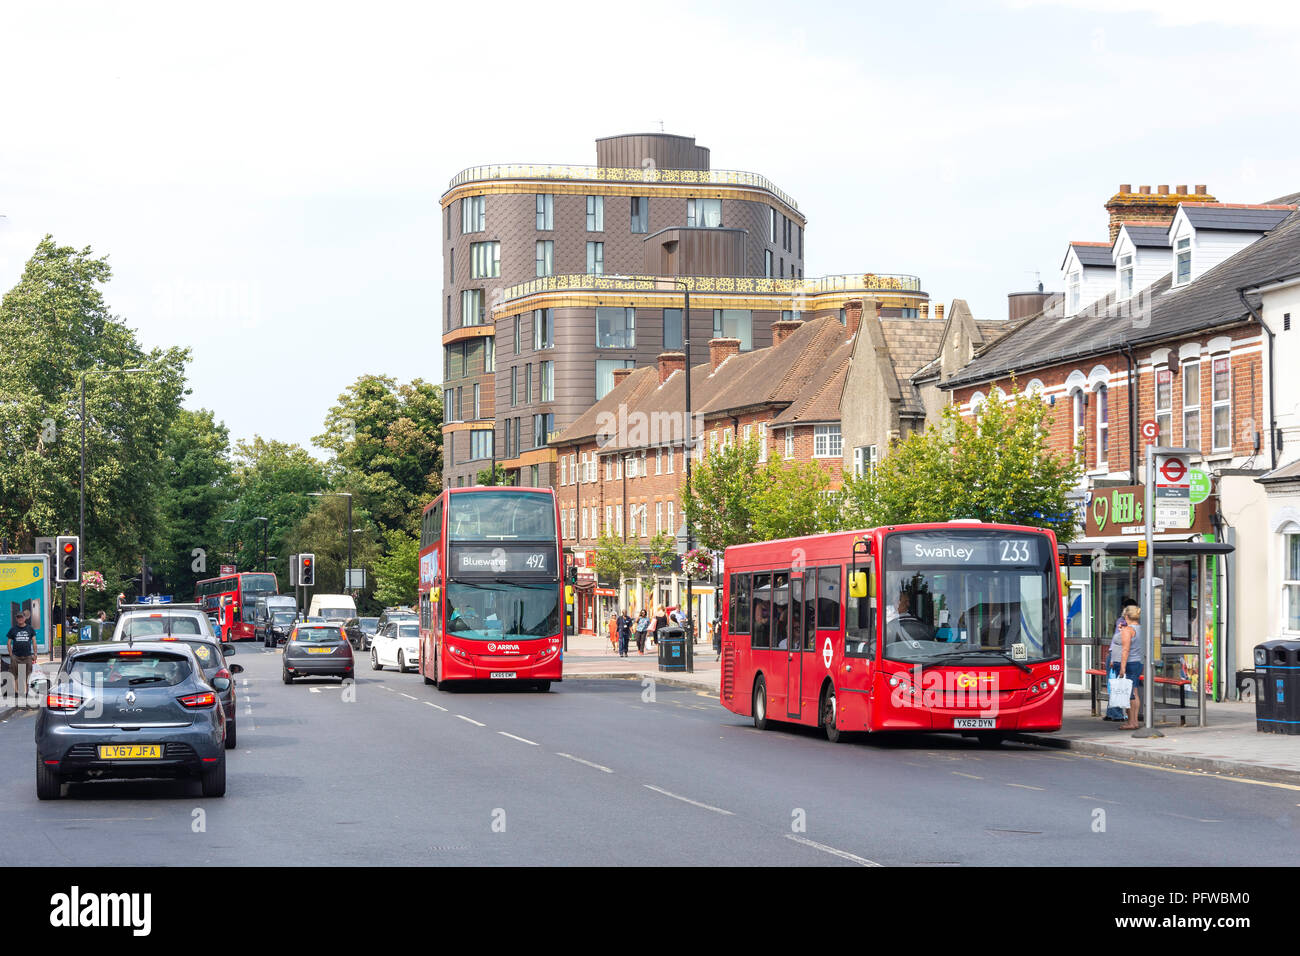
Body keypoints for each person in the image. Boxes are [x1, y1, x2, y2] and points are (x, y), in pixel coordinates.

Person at [1109, 603, 1144, 730]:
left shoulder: (1128, 630)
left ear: (1127, 616)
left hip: (1129, 664)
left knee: (1129, 693)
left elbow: (1125, 650)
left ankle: (1131, 722)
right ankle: (1135, 721)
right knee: (1134, 691)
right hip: (1138, 662)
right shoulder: (1141, 629)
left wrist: (1122, 668)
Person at [1103, 597, 1136, 720]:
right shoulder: (1123, 623)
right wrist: (1113, 660)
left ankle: (1111, 712)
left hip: (1114, 655)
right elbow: (1118, 642)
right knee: (1117, 685)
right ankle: (1116, 714)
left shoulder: (1121, 622)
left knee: (1114, 684)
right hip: (1117, 656)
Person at [6, 608, 37, 707]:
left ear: (25, 618)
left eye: (21, 617)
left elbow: (34, 642)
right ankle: (16, 693)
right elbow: (9, 643)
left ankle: (27, 693)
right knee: (15, 675)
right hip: (16, 656)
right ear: (16, 619)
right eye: (18, 617)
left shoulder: (30, 629)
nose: (20, 619)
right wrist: (11, 655)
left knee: (28, 675)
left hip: (27, 655)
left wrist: (35, 654)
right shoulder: (13, 629)